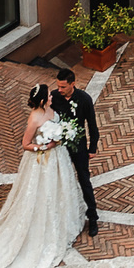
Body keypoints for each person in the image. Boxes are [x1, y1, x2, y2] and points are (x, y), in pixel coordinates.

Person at [0, 83, 85, 268]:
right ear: (44, 99)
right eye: (49, 95)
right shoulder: (34, 118)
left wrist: (62, 136)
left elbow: (59, 127)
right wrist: (44, 147)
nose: (53, 96)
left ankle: (63, 218)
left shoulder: (50, 109)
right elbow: (25, 144)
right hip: (42, 161)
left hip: (58, 157)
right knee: (42, 193)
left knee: (61, 189)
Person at [50, 68, 102, 237]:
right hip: (60, 145)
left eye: (63, 87)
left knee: (84, 179)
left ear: (73, 84)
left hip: (78, 145)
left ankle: (92, 217)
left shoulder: (84, 99)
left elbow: (92, 125)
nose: (59, 90)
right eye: (58, 86)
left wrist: (92, 148)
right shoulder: (54, 97)